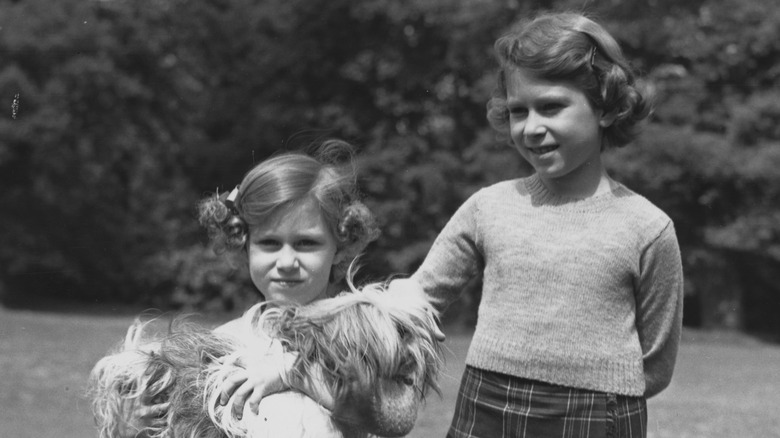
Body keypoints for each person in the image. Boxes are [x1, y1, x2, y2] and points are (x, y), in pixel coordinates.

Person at [395, 11, 684, 438]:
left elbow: (655, 363)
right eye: (518, 111)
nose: (531, 128)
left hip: (596, 415)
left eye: (550, 106)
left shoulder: (648, 227)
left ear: (605, 106)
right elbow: (414, 301)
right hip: (485, 403)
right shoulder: (487, 207)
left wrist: (593, 383)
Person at [91, 139, 404, 437]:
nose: (286, 261)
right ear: (243, 245)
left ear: (341, 244)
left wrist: (294, 374)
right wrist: (132, 428)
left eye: (306, 243)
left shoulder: (361, 337)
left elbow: (389, 415)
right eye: (269, 243)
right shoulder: (223, 345)